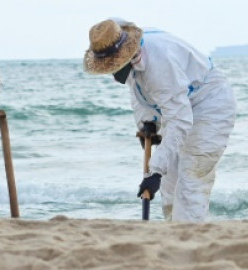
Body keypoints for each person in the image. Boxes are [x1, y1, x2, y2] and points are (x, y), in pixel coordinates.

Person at [83, 19, 236, 222]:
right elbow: (138, 91)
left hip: (209, 103)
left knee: (191, 181)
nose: (112, 72)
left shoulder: (160, 65)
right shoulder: (122, 46)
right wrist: (147, 123)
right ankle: (173, 235)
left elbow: (179, 121)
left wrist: (154, 172)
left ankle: (189, 239)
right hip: (179, 104)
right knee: (169, 185)